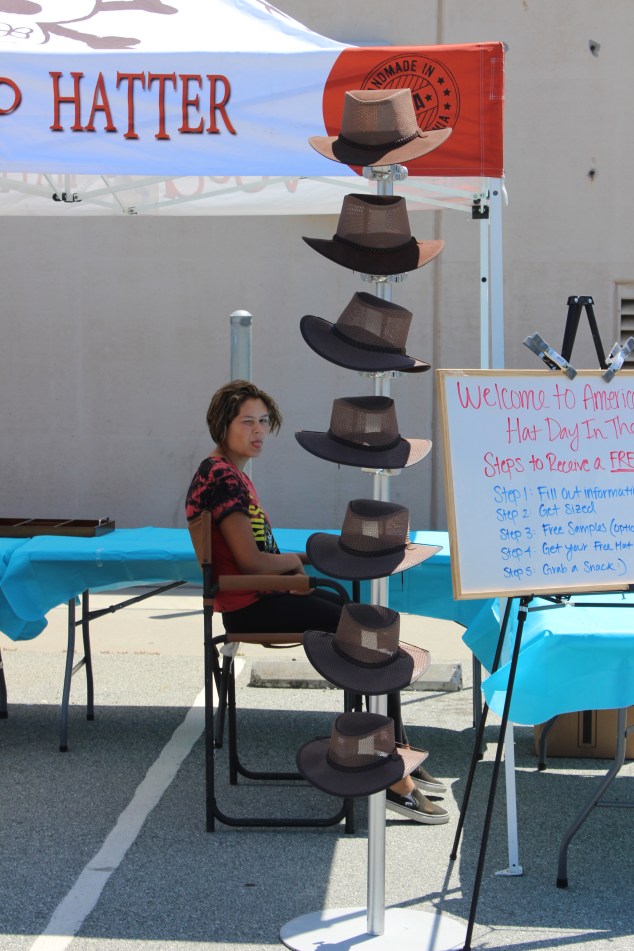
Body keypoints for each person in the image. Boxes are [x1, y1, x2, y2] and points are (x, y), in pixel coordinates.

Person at [186, 379, 448, 824]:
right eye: (247, 421)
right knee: (367, 640)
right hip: (251, 605)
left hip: (258, 596)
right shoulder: (221, 478)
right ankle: (388, 775)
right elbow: (251, 560)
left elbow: (258, 557)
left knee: (370, 635)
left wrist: (305, 563)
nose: (258, 431)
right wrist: (309, 559)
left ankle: (394, 755)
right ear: (222, 425)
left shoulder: (229, 473)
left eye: (264, 422)